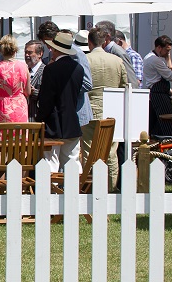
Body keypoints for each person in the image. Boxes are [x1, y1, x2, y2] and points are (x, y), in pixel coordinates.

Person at [82, 28, 128, 190]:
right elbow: (124, 85)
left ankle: (90, 186)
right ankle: (110, 185)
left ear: (89, 42)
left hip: (90, 108)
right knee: (111, 151)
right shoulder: (117, 61)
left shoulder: (85, 59)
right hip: (111, 109)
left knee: (88, 150)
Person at [37, 32, 84, 170]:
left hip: (53, 123)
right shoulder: (78, 69)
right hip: (71, 122)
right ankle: (75, 190)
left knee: (50, 162)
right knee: (72, 161)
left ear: (55, 50)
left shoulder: (51, 69)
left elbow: (47, 99)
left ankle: (52, 190)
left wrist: (40, 119)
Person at [143, 35, 172, 138]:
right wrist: (169, 60)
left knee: (157, 124)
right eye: (167, 50)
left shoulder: (149, 57)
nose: (168, 53)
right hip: (159, 95)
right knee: (168, 123)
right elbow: (171, 76)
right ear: (159, 47)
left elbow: (158, 80)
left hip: (157, 92)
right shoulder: (155, 60)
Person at [0, 35, 30, 123]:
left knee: (2, 135)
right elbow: (27, 91)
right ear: (15, 50)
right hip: (20, 106)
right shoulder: (24, 66)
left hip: (2, 106)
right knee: (20, 134)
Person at [94, 21, 139, 87]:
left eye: (98, 35)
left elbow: (131, 80)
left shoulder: (119, 53)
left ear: (107, 37)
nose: (95, 37)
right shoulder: (103, 51)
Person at [24, 39, 45, 122]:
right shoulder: (24, 71)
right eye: (25, 52)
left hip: (37, 119)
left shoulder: (45, 71)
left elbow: (48, 97)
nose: (26, 55)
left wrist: (34, 92)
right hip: (24, 118)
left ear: (40, 54)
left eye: (30, 52)